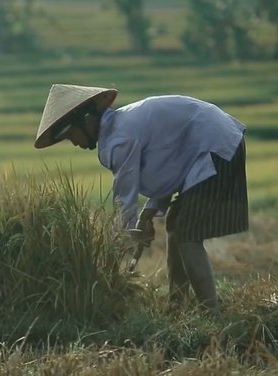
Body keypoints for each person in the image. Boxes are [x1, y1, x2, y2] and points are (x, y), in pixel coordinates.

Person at [33, 84, 249, 313]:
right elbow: (171, 164)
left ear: (86, 120)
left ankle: (211, 311)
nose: (74, 142)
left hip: (215, 145)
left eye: (71, 134)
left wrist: (117, 249)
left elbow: (124, 200)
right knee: (176, 224)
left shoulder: (119, 138)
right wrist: (147, 215)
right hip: (214, 140)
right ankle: (178, 304)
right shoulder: (122, 126)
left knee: (187, 233)